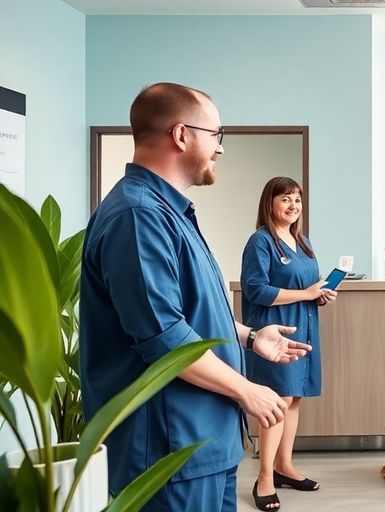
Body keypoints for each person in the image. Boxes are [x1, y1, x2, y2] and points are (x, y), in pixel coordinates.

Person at [80, 82, 313, 512]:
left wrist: (249, 336)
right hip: (170, 446)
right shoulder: (139, 216)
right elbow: (163, 336)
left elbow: (192, 312)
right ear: (181, 134)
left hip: (206, 441)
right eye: (216, 135)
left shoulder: (172, 212)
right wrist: (247, 389)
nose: (220, 149)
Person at [242, 177, 336, 510]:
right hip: (274, 335)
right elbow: (255, 290)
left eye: (297, 199)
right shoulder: (260, 242)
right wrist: (306, 293)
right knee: (275, 402)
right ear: (270, 203)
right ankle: (264, 477)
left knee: (293, 400)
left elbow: (309, 286)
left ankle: (284, 466)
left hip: (305, 331)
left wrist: (319, 295)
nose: (293, 205)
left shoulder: (304, 242)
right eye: (286, 198)